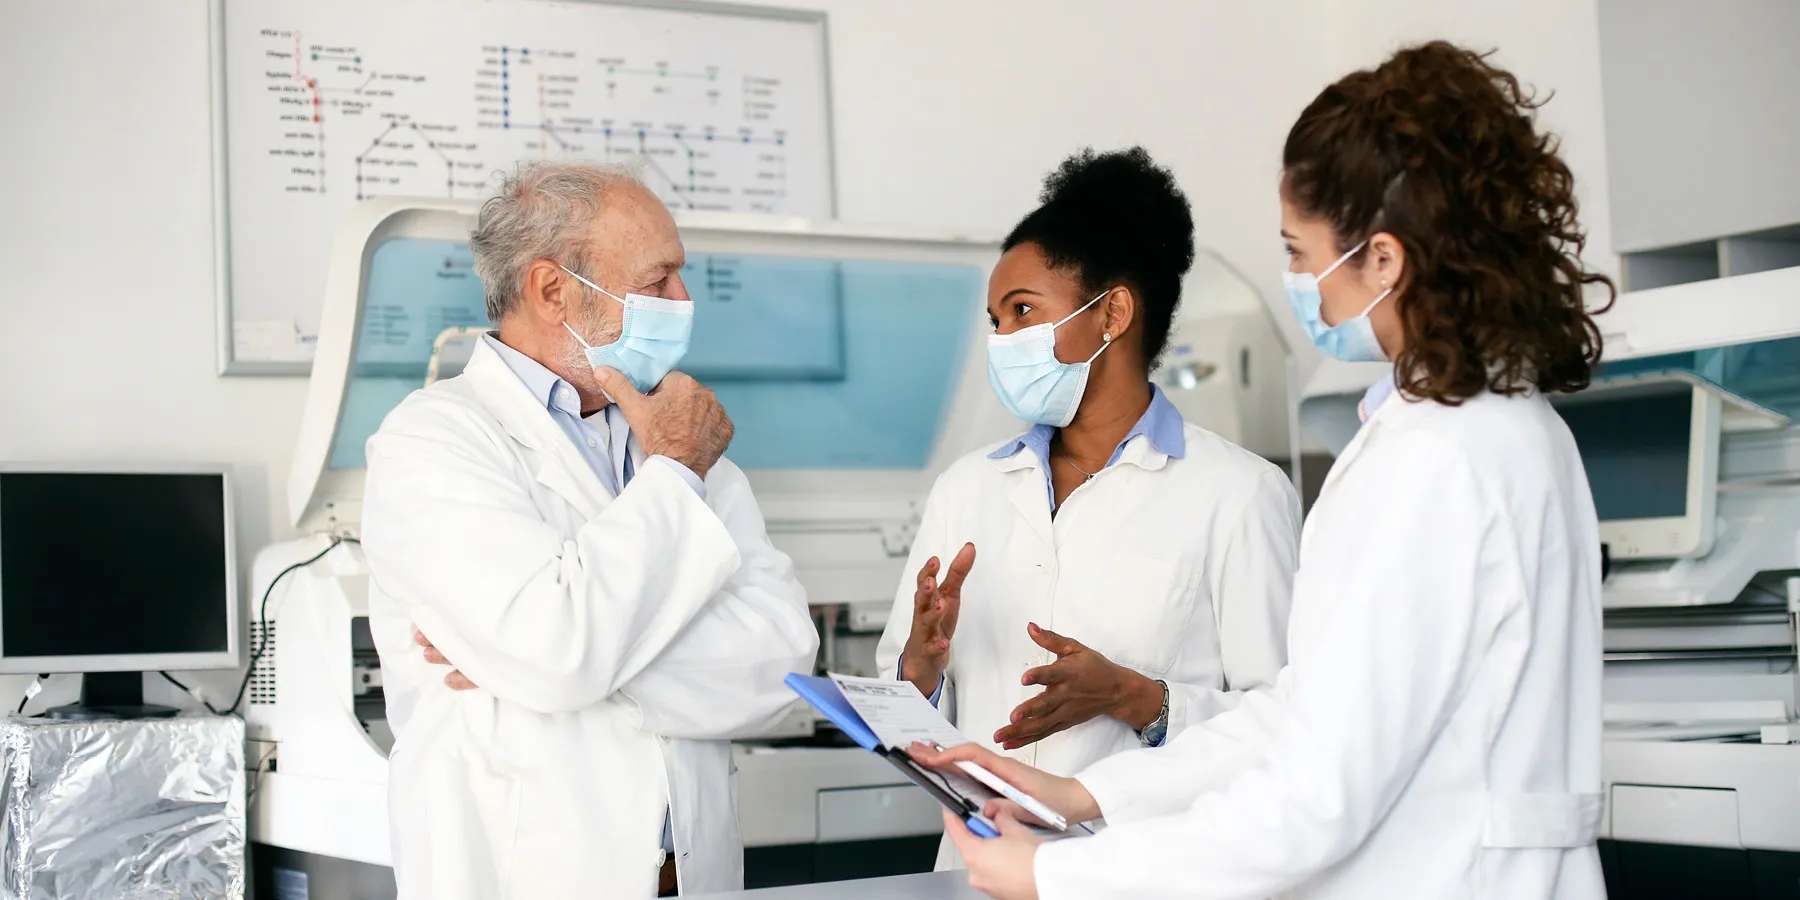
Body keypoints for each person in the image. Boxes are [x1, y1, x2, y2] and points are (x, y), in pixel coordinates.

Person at [915, 41, 1611, 900]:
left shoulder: (1438, 459)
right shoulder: (1494, 427)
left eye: (1297, 249)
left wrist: (1062, 872)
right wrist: (1086, 793)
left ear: (1383, 260)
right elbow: (1302, 712)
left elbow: (1314, 797)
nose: (1294, 279)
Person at [361, 160, 818, 900]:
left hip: (690, 876)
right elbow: (559, 652)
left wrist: (563, 664)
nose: (684, 299)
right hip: (530, 877)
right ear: (552, 290)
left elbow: (782, 668)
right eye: (658, 279)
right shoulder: (433, 441)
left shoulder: (684, 444)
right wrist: (672, 475)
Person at [876, 148, 1302, 867]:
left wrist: (1139, 697)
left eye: (1021, 312)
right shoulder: (968, 488)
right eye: (994, 319)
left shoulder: (1238, 493)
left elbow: (1286, 722)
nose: (1001, 341)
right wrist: (920, 663)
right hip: (981, 866)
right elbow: (907, 719)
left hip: (1137, 869)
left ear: (1112, 313)